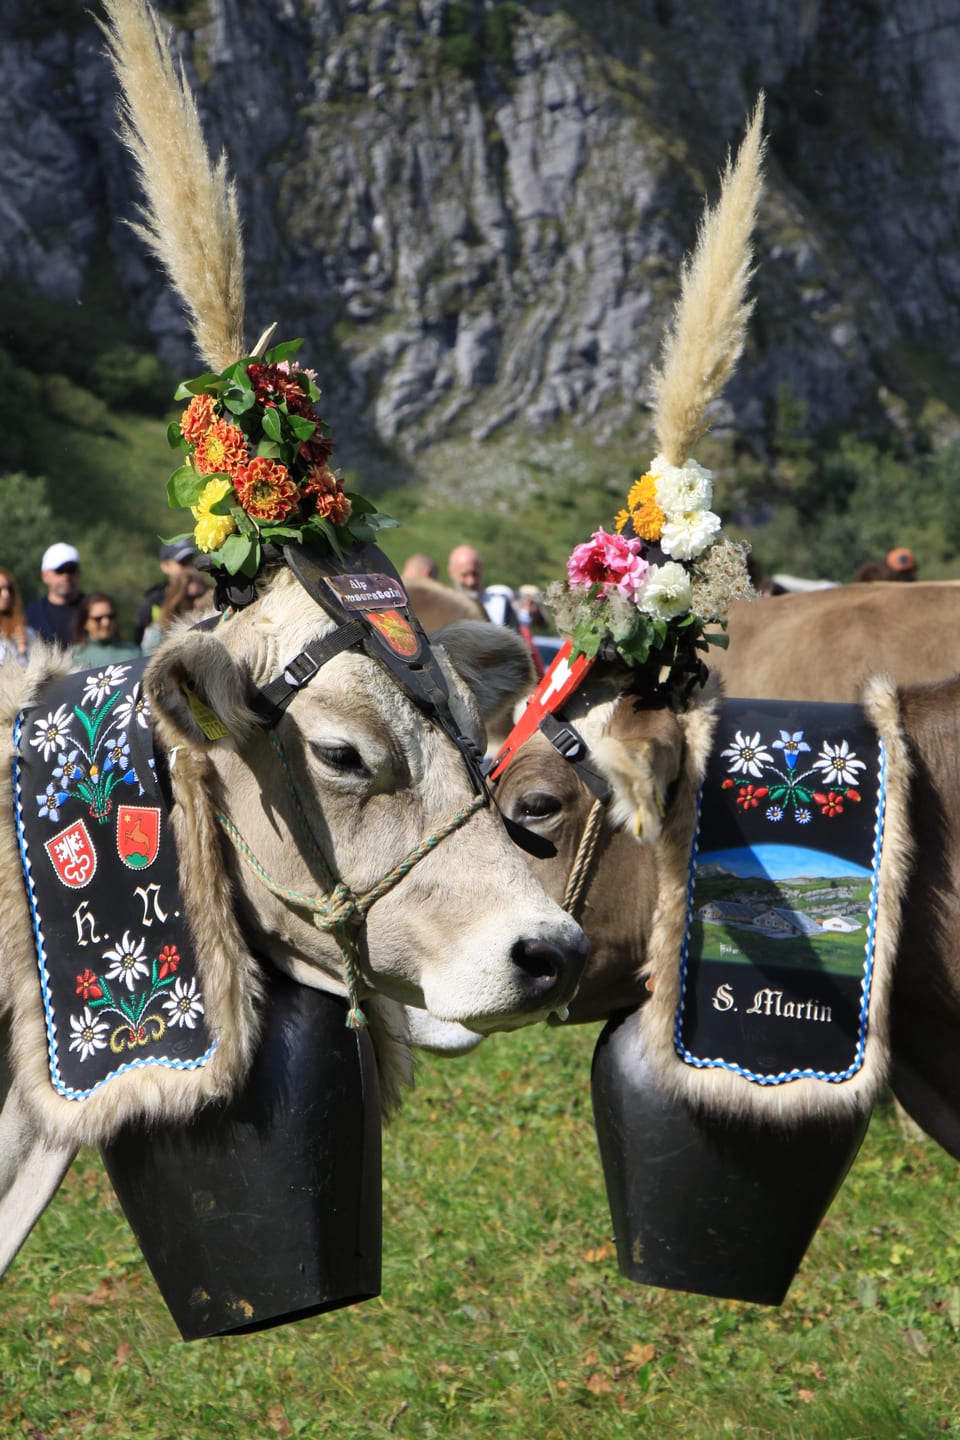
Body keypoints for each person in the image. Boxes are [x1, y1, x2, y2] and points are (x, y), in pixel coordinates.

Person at [135, 540, 199, 644]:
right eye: (182, 562)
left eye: (190, 560)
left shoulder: (210, 594)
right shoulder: (152, 603)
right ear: (165, 566)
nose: (188, 567)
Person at [447, 544, 521, 631]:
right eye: (464, 575)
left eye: (475, 574)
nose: (471, 581)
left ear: (482, 567)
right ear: (451, 572)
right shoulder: (444, 609)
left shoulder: (501, 605)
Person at [25, 543, 84, 648]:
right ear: (44, 576)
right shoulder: (29, 616)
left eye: (71, 569)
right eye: (59, 570)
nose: (66, 576)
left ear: (78, 573)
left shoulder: (96, 611)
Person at [140, 570, 212, 653]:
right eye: (190, 599)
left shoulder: (209, 618)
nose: (197, 602)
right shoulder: (156, 631)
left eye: (201, 595)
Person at [71, 593, 140, 669]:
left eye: (110, 617)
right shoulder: (73, 656)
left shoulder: (133, 652)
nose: (106, 623)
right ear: (84, 623)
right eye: (98, 619)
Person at [0, 568, 34, 665]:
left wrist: (23, 652)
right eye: (0, 589)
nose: (6, 594)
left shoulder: (26, 633)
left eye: (9, 589)